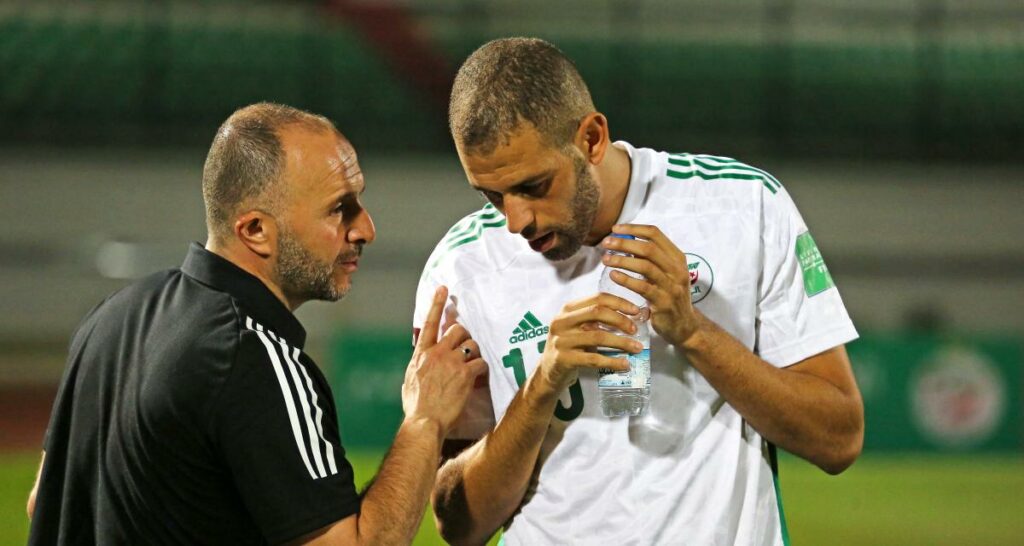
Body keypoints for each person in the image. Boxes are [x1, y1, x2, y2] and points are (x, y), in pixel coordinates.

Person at [414, 38, 865, 545]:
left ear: (591, 138)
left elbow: (838, 438)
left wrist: (693, 332)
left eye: (534, 186)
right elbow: (457, 523)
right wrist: (540, 387)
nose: (515, 220)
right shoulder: (462, 265)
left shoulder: (743, 207)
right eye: (491, 196)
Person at [27, 103, 486, 545]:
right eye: (338, 209)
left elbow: (43, 502)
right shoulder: (253, 355)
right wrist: (425, 419)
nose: (365, 228)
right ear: (255, 231)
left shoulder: (110, 316)